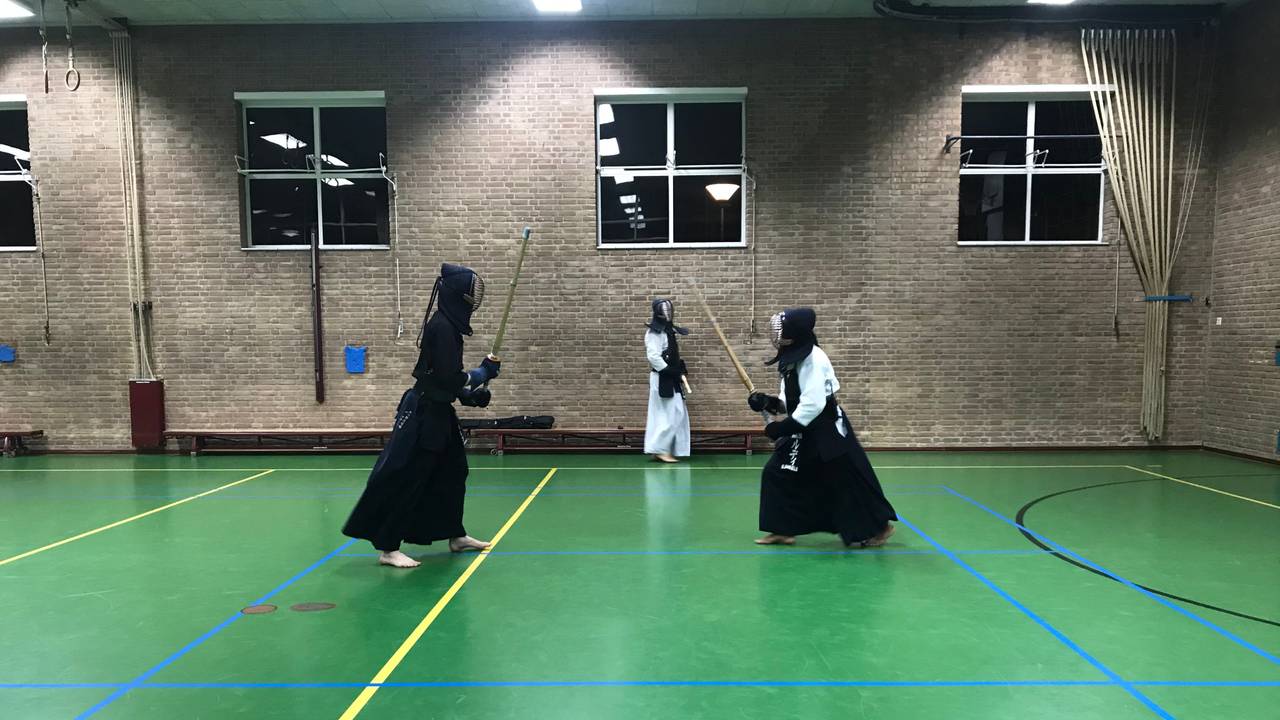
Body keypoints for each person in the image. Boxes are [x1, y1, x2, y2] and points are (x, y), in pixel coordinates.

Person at [342, 263, 500, 568]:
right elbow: (446, 377)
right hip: (423, 415)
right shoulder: (441, 327)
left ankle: (455, 535)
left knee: (454, 473)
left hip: (440, 412)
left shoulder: (450, 328)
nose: (472, 300)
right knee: (410, 479)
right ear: (457, 295)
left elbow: (443, 379)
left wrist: (470, 396)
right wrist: (480, 374)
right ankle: (388, 548)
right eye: (469, 294)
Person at [747, 308, 896, 548]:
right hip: (805, 429)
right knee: (777, 473)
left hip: (826, 432)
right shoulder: (791, 359)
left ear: (794, 333)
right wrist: (768, 402)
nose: (776, 334)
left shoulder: (814, 359)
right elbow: (790, 400)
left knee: (846, 481)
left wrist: (781, 428)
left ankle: (880, 527)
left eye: (781, 329)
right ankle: (782, 530)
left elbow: (813, 404)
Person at [643, 298, 691, 463]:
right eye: (665, 311)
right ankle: (660, 449)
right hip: (662, 378)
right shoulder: (654, 333)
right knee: (669, 413)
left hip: (670, 377)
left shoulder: (668, 331)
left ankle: (662, 448)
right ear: (658, 312)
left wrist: (679, 367)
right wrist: (670, 371)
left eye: (670, 310)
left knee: (676, 412)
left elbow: (671, 354)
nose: (668, 314)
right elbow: (654, 356)